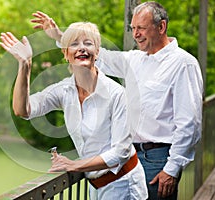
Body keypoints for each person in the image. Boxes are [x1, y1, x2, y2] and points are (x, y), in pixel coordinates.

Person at [31, 1, 203, 199]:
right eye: (133, 28)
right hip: (128, 157)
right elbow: (98, 56)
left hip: (158, 160)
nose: (136, 34)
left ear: (161, 27)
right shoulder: (136, 59)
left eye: (141, 28)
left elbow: (189, 123)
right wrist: (61, 38)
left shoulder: (183, 63)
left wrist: (172, 169)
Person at [0, 22, 148, 199]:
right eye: (74, 44)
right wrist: (25, 65)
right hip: (96, 185)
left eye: (88, 43)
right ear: (65, 53)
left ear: (98, 51)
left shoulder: (117, 94)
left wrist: (73, 165)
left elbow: (121, 152)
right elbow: (23, 110)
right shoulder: (64, 91)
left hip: (125, 185)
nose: (82, 48)